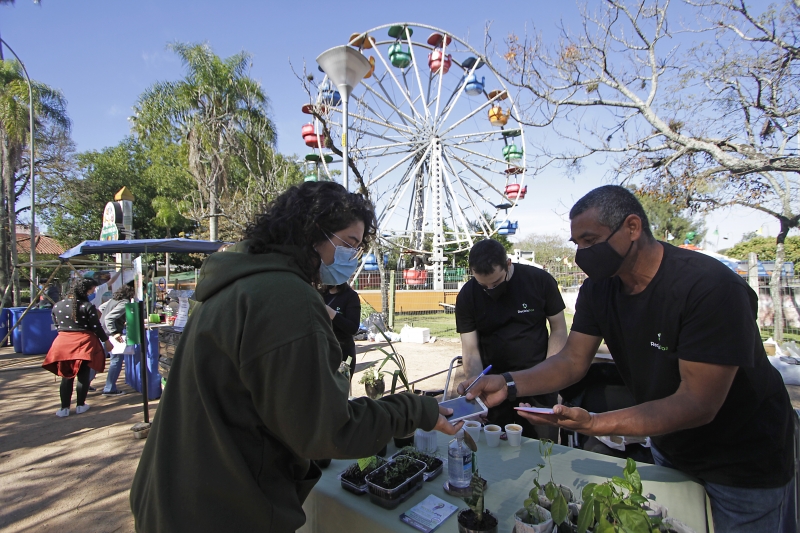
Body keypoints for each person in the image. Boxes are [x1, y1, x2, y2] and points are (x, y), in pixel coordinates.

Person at [130, 181, 462, 533]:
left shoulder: (231, 287)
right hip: (223, 511)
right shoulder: (287, 297)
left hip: (171, 498)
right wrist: (416, 410)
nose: (353, 257)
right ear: (313, 232)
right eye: (349, 244)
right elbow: (329, 430)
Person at [461, 185, 796, 532]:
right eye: (576, 243)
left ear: (632, 228)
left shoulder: (707, 287)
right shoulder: (599, 288)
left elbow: (698, 402)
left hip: (743, 460)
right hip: (671, 450)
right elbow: (572, 361)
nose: (581, 254)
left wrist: (595, 423)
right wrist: (508, 383)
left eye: (590, 240)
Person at [455, 239, 568, 439]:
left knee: (543, 450)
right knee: (496, 451)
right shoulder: (467, 295)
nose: (490, 290)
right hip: (493, 387)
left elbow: (558, 329)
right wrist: (476, 393)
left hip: (538, 381)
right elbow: (470, 349)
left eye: (496, 283)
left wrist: (550, 372)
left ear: (508, 264)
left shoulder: (540, 281)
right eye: (483, 285)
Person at [42, 278, 112, 417]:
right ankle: (80, 404)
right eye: (92, 290)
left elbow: (57, 325)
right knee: (83, 374)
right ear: (85, 291)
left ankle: (64, 408)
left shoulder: (58, 306)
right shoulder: (87, 306)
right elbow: (96, 327)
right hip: (83, 343)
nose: (93, 292)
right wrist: (106, 341)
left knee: (66, 376)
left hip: (63, 343)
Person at [100, 284, 136, 396]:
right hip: (111, 335)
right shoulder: (124, 302)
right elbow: (109, 318)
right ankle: (109, 388)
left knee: (97, 360)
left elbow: (101, 308)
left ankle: (86, 384)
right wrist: (114, 331)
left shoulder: (114, 300)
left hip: (102, 333)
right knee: (115, 361)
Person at [321, 281, 361, 380]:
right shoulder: (320, 295)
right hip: (323, 350)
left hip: (343, 351)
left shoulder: (350, 296)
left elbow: (353, 328)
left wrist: (332, 314)